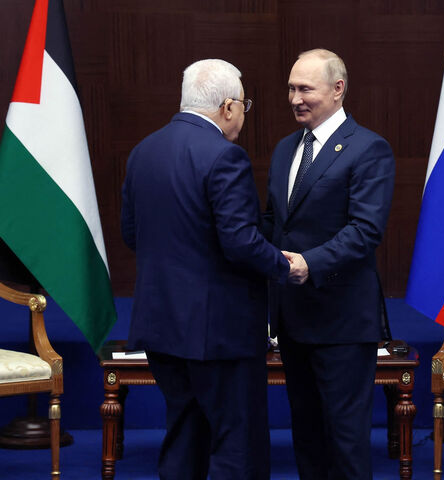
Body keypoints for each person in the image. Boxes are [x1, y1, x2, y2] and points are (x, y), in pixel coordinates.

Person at [121, 59, 290, 480]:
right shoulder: (225, 157)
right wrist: (286, 266)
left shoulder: (143, 151)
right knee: (237, 445)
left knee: (184, 435)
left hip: (161, 329)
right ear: (229, 107)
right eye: (245, 106)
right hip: (220, 335)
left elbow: (131, 234)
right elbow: (240, 242)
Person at [264, 48, 395, 480]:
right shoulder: (285, 149)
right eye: (290, 88)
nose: (295, 98)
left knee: (345, 438)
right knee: (308, 434)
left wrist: (309, 263)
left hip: (342, 322)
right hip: (293, 319)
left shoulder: (369, 149)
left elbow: (365, 230)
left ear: (338, 90)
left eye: (305, 89)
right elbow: (274, 223)